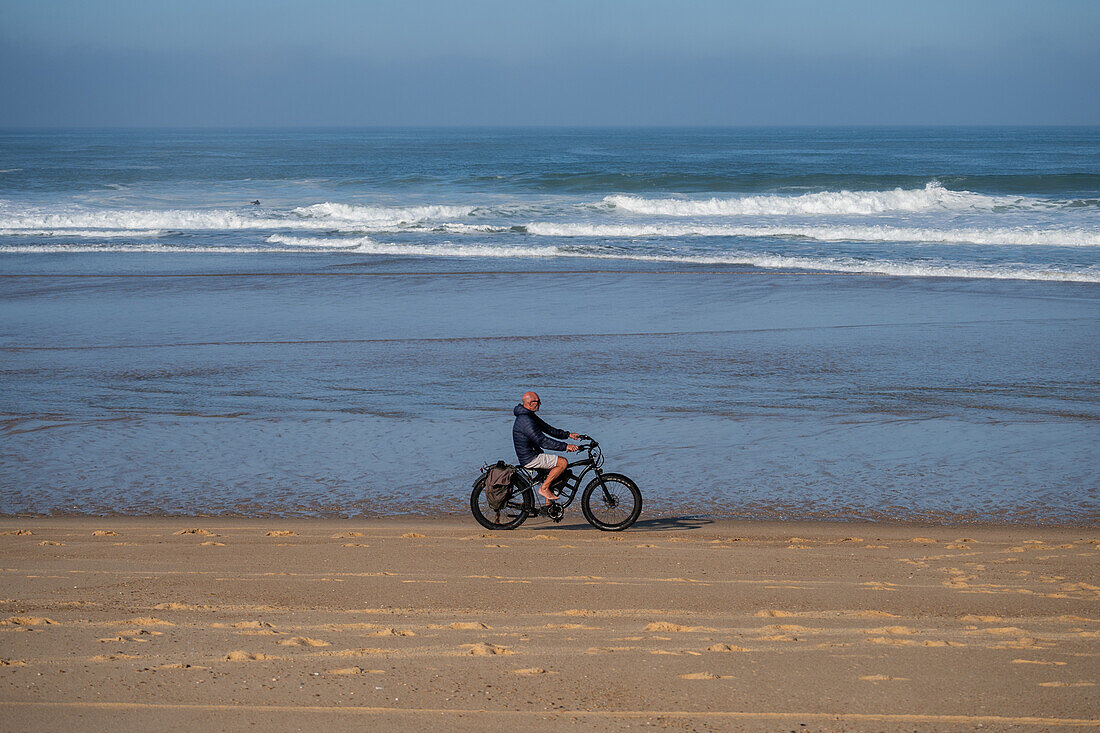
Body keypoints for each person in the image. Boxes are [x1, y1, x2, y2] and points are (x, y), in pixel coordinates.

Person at [512, 391, 580, 505]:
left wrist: (568, 435)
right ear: (530, 403)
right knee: (563, 463)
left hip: (533, 454)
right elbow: (542, 441)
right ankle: (544, 489)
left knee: (562, 474)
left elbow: (548, 429)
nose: (540, 404)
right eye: (538, 402)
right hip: (530, 458)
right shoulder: (525, 420)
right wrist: (565, 446)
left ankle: (549, 507)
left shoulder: (529, 415)